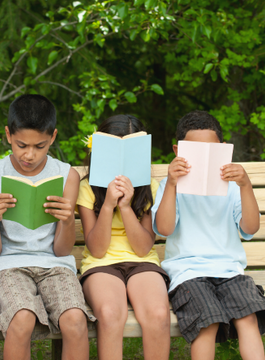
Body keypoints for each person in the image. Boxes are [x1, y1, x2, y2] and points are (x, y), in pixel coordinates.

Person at [0, 94, 95, 360]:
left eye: (40, 146)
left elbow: (63, 249)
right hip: (7, 265)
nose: (29, 155)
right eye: (21, 145)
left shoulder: (67, 175)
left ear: (52, 137)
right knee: (21, 320)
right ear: (8, 135)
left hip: (55, 264)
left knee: (75, 320)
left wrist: (66, 220)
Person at [152, 110, 265, 360]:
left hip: (229, 270)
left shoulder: (232, 187)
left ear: (223, 149)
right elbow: (164, 229)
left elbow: (250, 227)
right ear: (178, 151)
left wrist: (246, 186)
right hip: (188, 272)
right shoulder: (169, 186)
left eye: (211, 150)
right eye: (195, 151)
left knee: (247, 317)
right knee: (207, 322)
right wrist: (172, 184)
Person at [77, 115, 170, 360]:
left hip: (143, 262)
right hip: (101, 265)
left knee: (159, 314)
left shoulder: (150, 187)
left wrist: (127, 207)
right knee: (109, 313)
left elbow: (143, 248)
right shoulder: (87, 188)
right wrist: (108, 205)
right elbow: (96, 250)